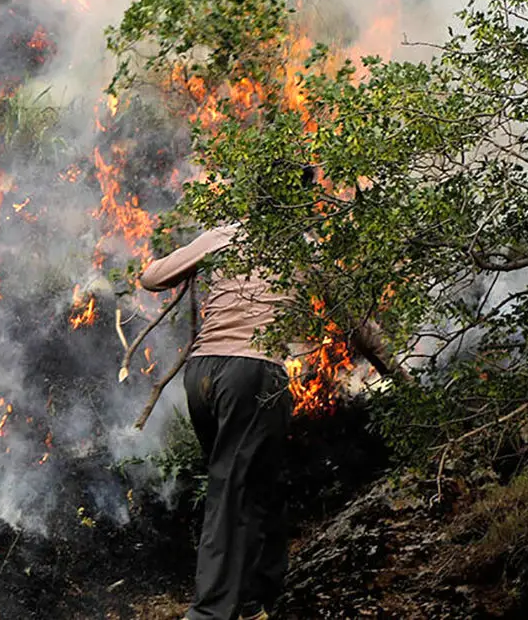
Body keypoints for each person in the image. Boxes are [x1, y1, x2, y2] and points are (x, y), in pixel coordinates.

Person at [140, 223, 404, 620]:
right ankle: (209, 612)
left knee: (255, 484)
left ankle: (251, 601)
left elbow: (152, 277)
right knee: (233, 488)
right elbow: (358, 326)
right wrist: (403, 379)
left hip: (201, 375)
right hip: (253, 374)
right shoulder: (305, 249)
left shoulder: (222, 235)